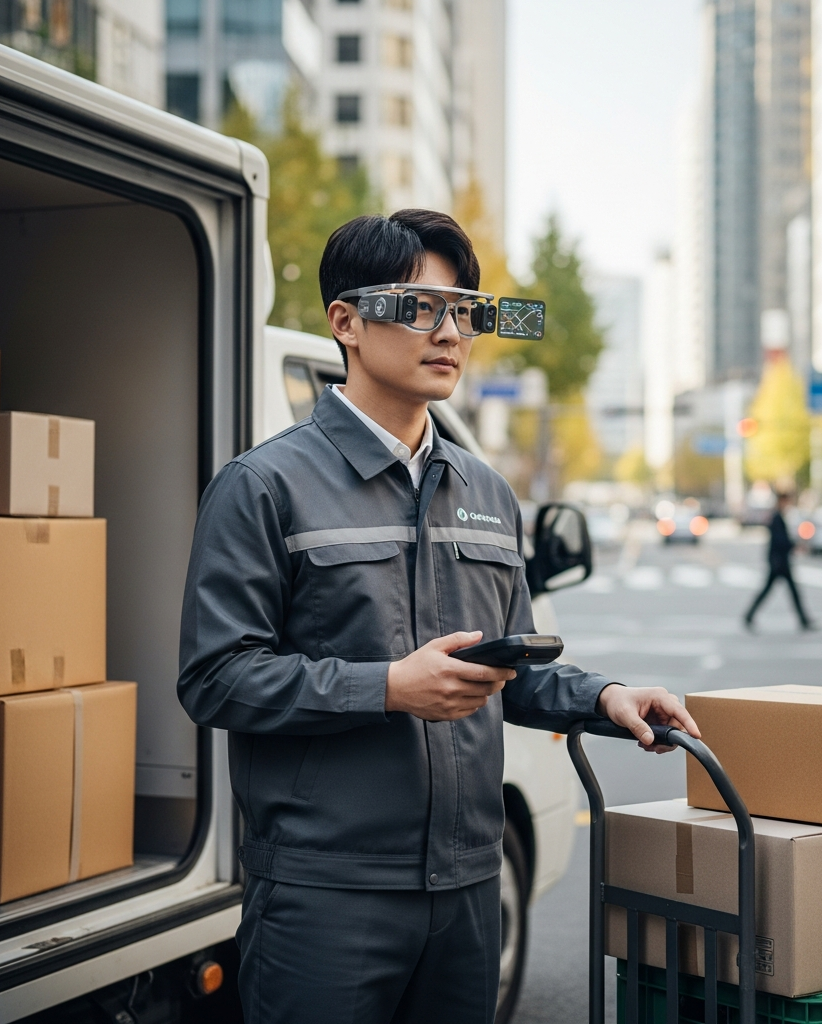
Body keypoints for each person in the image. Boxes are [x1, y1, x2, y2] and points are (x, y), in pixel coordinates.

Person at [177, 210, 699, 1024]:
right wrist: (387, 687)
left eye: (465, 311)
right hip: (325, 891)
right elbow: (215, 680)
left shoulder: (486, 492)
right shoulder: (262, 487)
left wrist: (605, 698)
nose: (451, 331)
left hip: (467, 888)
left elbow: (508, 677)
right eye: (421, 307)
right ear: (345, 322)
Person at [744, 490, 815, 631]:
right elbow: (780, 540)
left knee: (784, 591)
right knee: (786, 592)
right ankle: (803, 620)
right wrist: (795, 545)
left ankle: (750, 615)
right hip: (779, 562)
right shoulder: (777, 518)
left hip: (779, 561)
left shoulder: (778, 516)